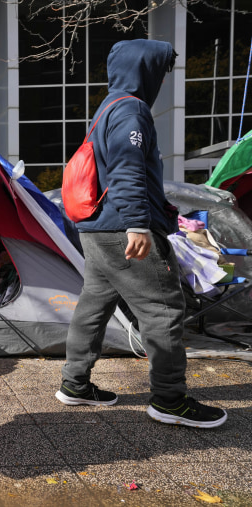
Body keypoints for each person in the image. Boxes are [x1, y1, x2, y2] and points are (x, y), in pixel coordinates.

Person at [55, 39, 227, 429]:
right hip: (123, 229)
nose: (163, 80)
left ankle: (75, 384)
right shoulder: (131, 110)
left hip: (97, 230)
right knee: (164, 308)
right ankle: (169, 399)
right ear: (146, 71)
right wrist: (137, 223)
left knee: (94, 306)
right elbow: (128, 167)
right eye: (161, 71)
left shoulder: (108, 107)